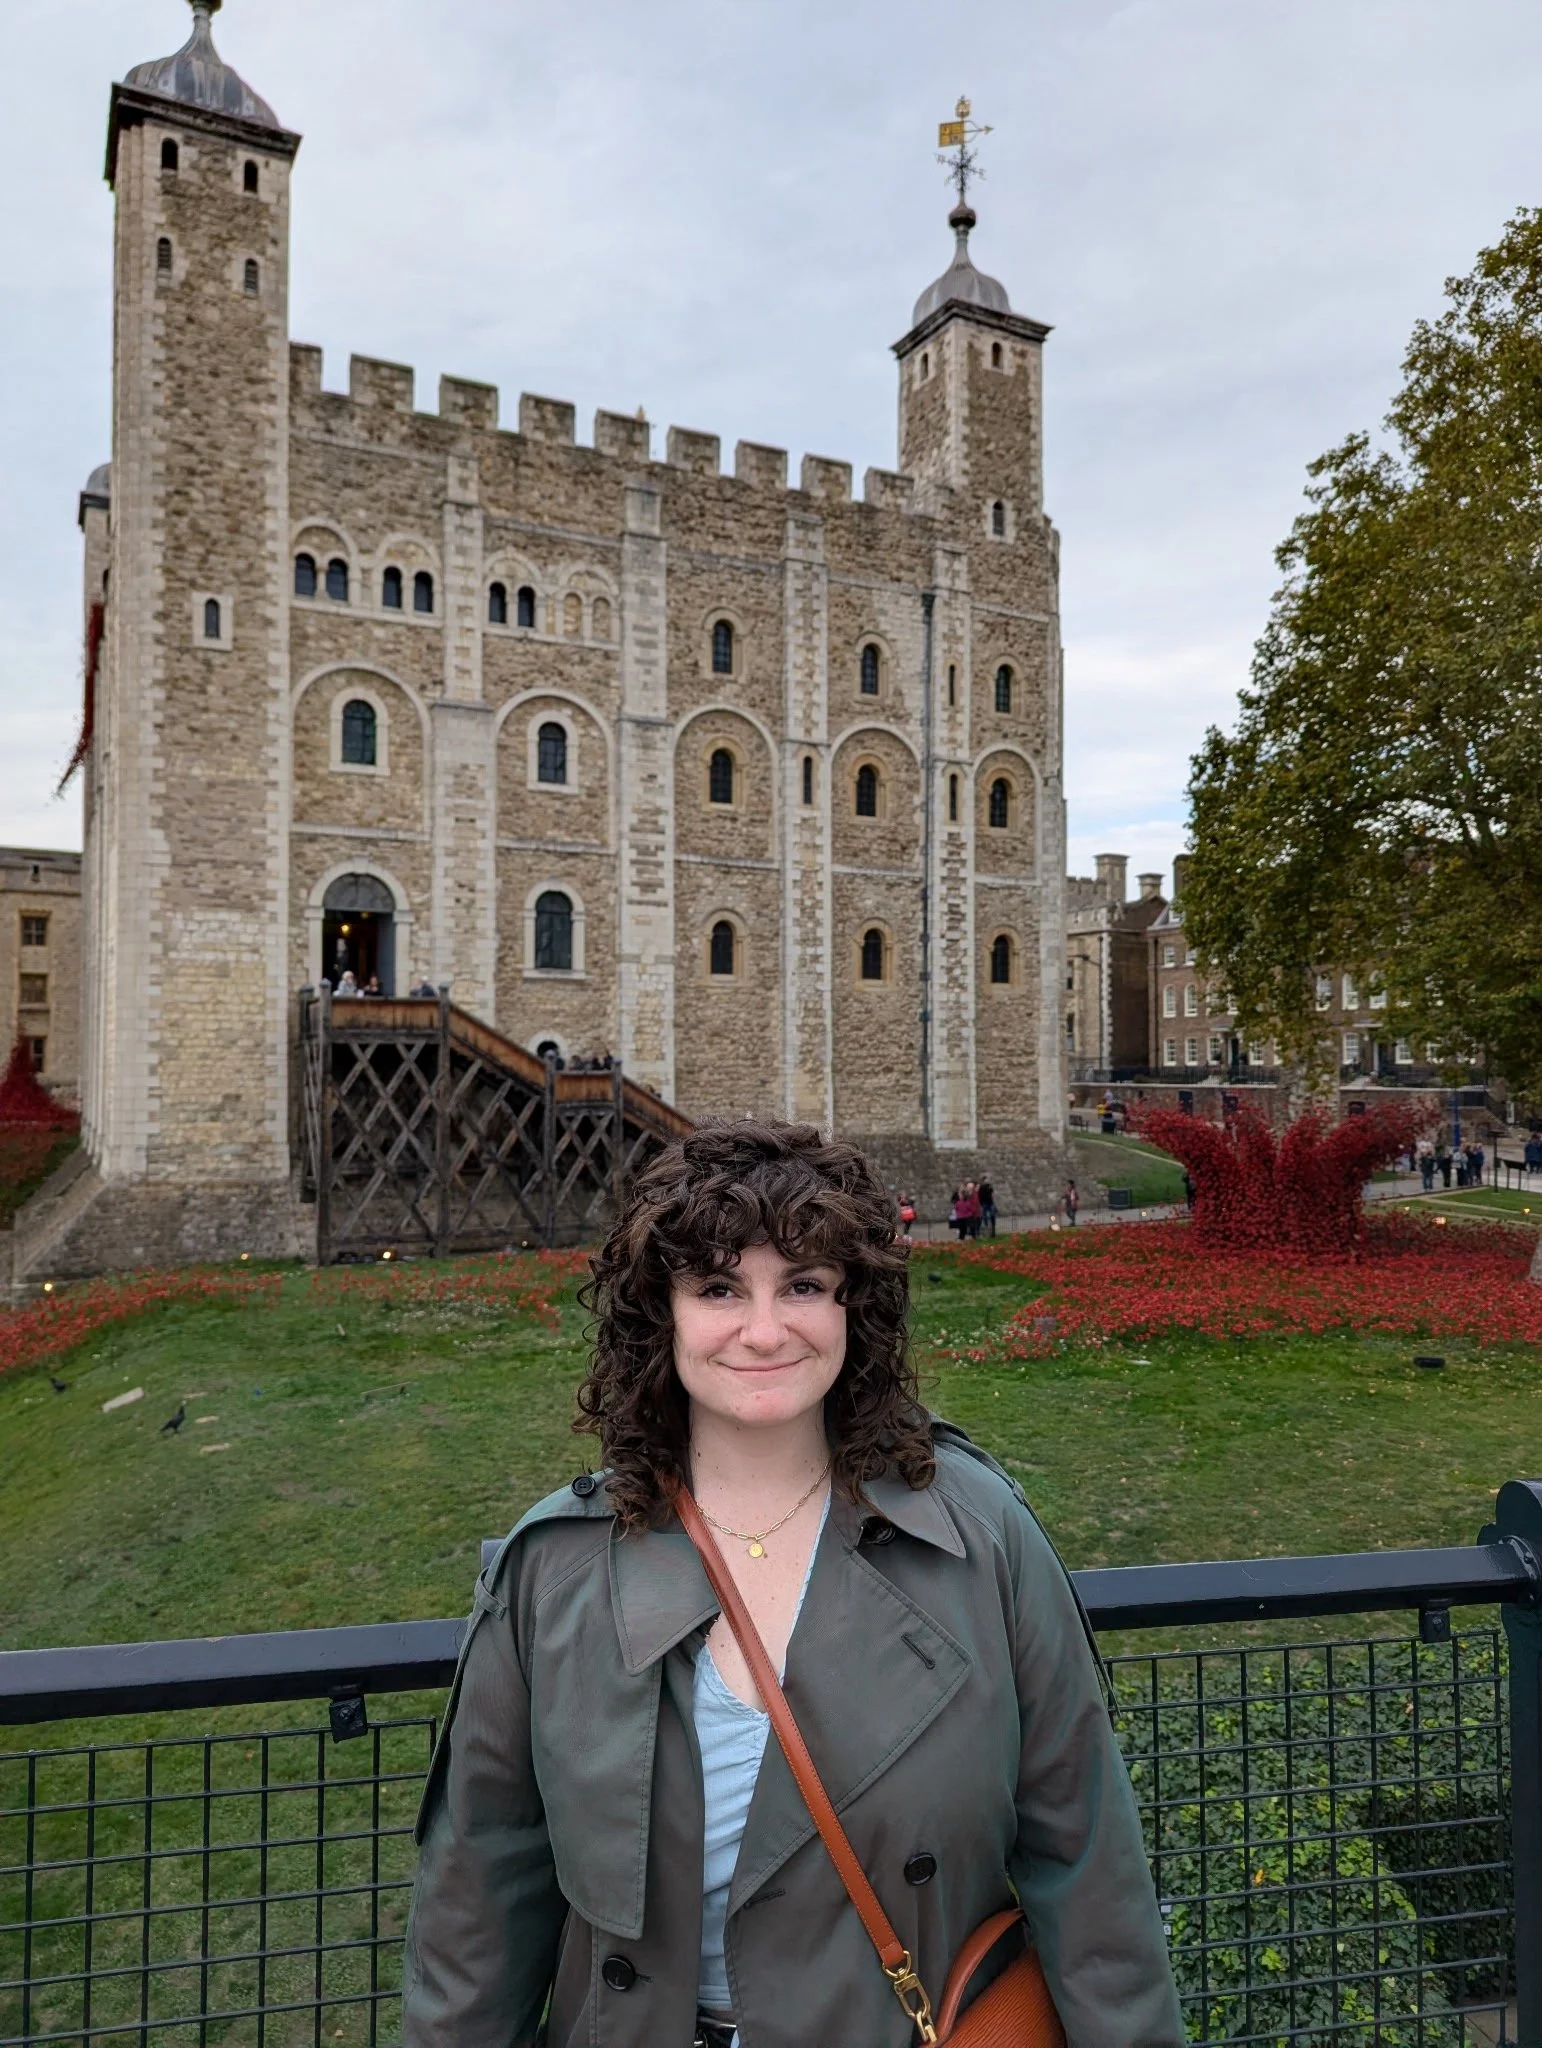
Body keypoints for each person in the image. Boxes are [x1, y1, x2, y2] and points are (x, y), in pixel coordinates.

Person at [401, 1119, 1182, 2046]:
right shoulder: (552, 1570)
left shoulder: (980, 1539)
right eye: (719, 1288)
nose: (764, 1331)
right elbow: (476, 1912)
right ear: (662, 1315)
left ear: (854, 1307)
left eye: (803, 1285)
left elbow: (1089, 1870)